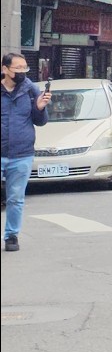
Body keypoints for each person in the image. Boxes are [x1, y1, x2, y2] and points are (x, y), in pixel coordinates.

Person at [2, 53, 52, 251]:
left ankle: (11, 235)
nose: (22, 72)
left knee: (15, 198)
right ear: (5, 69)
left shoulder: (31, 90)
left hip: (22, 153)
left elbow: (41, 121)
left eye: (25, 68)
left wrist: (40, 107)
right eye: (18, 68)